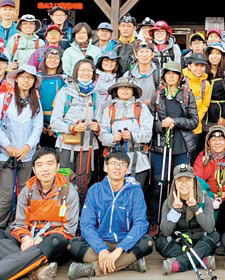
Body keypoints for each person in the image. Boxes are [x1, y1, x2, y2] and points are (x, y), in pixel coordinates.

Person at [0, 147, 78, 280]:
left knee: (56, 240)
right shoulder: (28, 191)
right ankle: (36, 269)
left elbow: (69, 229)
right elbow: (19, 222)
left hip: (51, 243)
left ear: (57, 166)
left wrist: (42, 239)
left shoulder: (68, 191)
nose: (45, 169)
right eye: (40, 165)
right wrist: (25, 237)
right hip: (29, 239)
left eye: (50, 164)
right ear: (34, 170)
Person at [67, 152, 153, 279]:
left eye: (122, 164)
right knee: (72, 245)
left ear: (127, 170)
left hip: (125, 242)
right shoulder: (95, 190)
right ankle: (127, 263)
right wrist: (101, 249)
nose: (117, 167)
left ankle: (92, 269)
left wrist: (120, 249)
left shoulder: (135, 190)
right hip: (100, 241)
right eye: (113, 164)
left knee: (148, 243)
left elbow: (141, 222)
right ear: (105, 167)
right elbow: (86, 224)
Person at [0, 65, 44, 229]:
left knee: (24, 192)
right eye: (23, 77)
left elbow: (37, 127)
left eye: (30, 78)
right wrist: (8, 146)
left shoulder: (35, 101)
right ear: (16, 79)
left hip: (26, 154)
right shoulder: (4, 99)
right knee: (7, 193)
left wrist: (28, 146)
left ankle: (20, 224)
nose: (26, 80)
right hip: (4, 154)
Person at [149, 62, 199, 225]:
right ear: (163, 76)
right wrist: (161, 125)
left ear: (180, 77)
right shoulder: (157, 96)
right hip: (160, 145)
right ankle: (157, 220)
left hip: (181, 145)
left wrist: (175, 121)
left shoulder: (187, 95)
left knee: (181, 183)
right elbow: (148, 123)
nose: (171, 76)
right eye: (168, 73)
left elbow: (194, 122)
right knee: (159, 184)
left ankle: (180, 220)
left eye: (174, 73)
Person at [50, 57, 101, 198]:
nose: (86, 73)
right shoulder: (65, 93)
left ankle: (80, 213)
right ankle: (64, 212)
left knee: (84, 180)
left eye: (89, 70)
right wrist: (72, 128)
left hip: (87, 145)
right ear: (76, 73)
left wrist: (97, 127)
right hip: (66, 145)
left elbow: (101, 121)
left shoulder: (96, 96)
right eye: (82, 70)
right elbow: (54, 122)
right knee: (64, 180)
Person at [156, 163, 219, 275]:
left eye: (188, 180)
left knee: (214, 235)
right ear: (175, 183)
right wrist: (175, 210)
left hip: (200, 240)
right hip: (181, 242)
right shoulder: (169, 202)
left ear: (194, 181)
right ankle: (200, 260)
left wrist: (195, 209)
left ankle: (179, 263)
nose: (184, 184)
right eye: (180, 180)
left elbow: (209, 228)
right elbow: (165, 231)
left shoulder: (204, 198)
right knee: (160, 241)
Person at [99, 78, 153, 185]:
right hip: (114, 162)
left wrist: (132, 136)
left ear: (133, 91)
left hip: (138, 163)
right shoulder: (109, 110)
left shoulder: (141, 108)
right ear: (116, 91)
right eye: (122, 88)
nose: (125, 90)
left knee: (135, 195)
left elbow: (148, 134)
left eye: (128, 88)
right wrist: (113, 138)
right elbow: (102, 135)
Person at [192, 125, 225, 227]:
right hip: (209, 195)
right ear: (208, 142)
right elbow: (197, 179)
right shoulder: (203, 157)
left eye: (221, 139)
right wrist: (211, 195)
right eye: (213, 140)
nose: (217, 143)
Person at [37, 48, 65, 149]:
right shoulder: (37, 78)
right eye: (50, 57)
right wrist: (41, 124)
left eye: (56, 58)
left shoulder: (64, 79)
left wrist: (56, 125)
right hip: (39, 122)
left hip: (58, 122)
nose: (53, 60)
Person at [182, 52, 210, 148]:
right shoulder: (181, 80)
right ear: (189, 66)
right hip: (181, 124)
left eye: (202, 66)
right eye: (196, 65)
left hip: (196, 127)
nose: (199, 69)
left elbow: (205, 105)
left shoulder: (206, 84)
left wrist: (195, 120)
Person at [203, 43, 225, 132]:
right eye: (212, 53)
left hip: (222, 114)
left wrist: (224, 116)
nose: (214, 56)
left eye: (218, 53)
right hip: (205, 114)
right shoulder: (203, 73)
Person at [123, 41, 159, 106]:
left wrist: (152, 102)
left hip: (153, 111)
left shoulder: (158, 74)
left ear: (152, 55)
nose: (144, 55)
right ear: (136, 55)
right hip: (133, 111)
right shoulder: (128, 75)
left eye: (147, 51)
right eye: (141, 52)